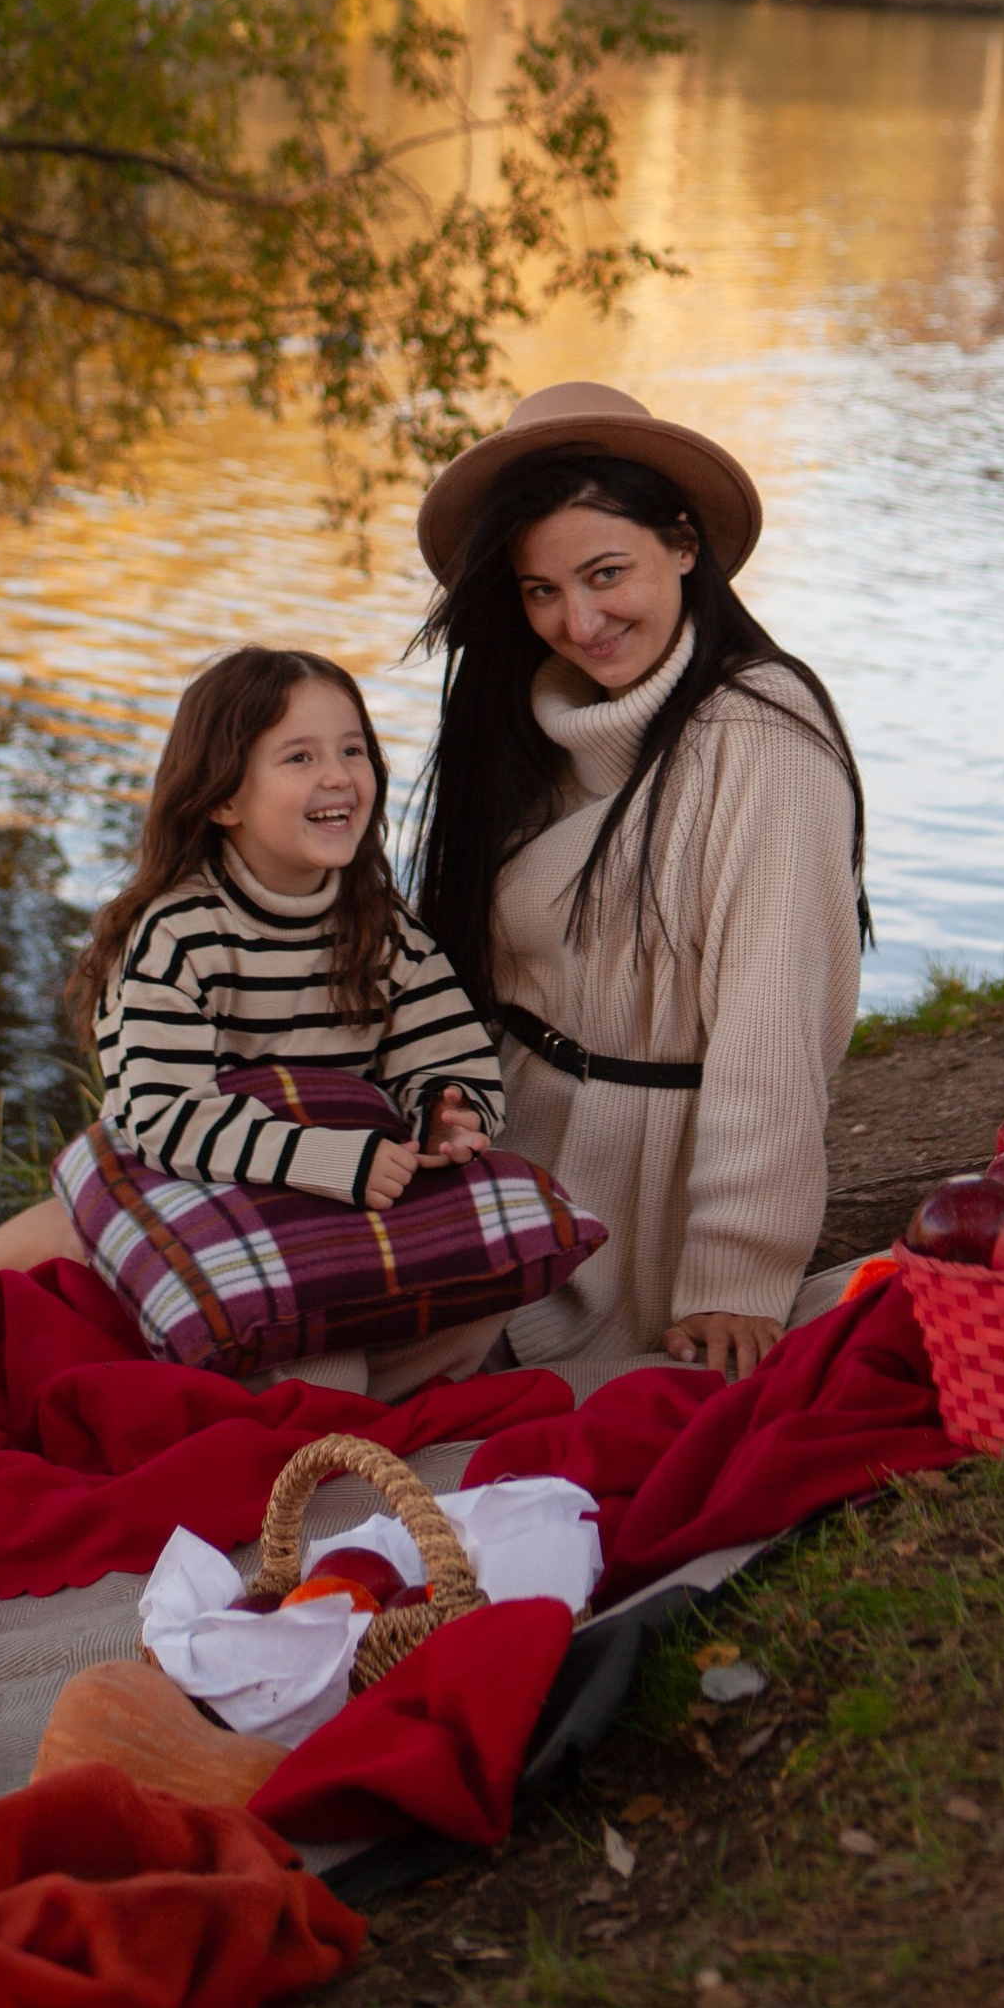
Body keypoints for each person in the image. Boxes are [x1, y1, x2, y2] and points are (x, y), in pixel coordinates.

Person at [407, 378, 868, 1381]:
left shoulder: (760, 737)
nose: (579, 621)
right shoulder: (529, 722)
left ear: (684, 545)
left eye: (605, 573)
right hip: (495, 1161)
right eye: (541, 590)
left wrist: (736, 1274)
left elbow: (772, 1024)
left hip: (628, 1208)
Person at [0, 645, 501, 1331]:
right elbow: (165, 1118)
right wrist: (322, 1157)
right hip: (183, 1174)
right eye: (299, 757)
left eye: (353, 750)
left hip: (326, 1188)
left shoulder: (385, 931)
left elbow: (448, 1056)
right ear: (223, 797)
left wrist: (447, 1114)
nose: (339, 776)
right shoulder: (179, 935)